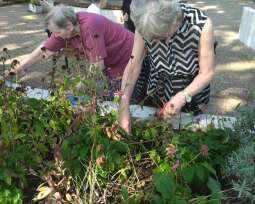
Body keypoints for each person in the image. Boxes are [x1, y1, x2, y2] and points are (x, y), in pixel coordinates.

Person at [118, 0, 215, 133]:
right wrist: (123, 103)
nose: (157, 41)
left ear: (175, 20)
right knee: (159, 131)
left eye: (161, 36)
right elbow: (133, 65)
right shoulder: (145, 21)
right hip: (159, 88)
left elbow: (206, 73)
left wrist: (182, 97)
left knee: (189, 134)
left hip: (192, 91)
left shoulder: (201, 25)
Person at [7, 4, 134, 99]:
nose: (55, 35)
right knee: (106, 91)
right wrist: (18, 67)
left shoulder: (89, 28)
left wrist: (72, 91)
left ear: (69, 26)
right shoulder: (67, 29)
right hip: (111, 62)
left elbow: (97, 68)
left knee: (119, 98)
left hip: (128, 56)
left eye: (57, 32)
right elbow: (43, 51)